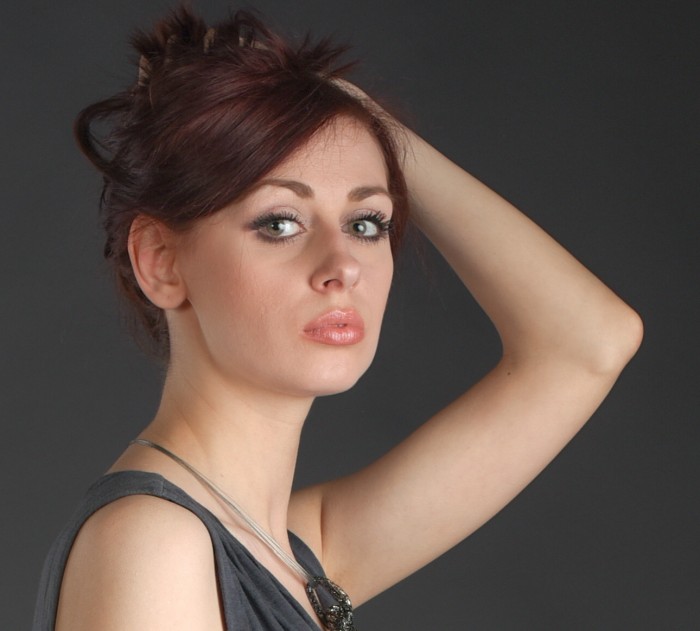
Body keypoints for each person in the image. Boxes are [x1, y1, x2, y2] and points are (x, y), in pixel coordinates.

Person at [33, 6, 642, 631]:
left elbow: (590, 342)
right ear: (160, 261)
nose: (343, 266)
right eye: (280, 223)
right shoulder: (156, 546)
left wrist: (359, 119)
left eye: (366, 223)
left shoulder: (293, 554)